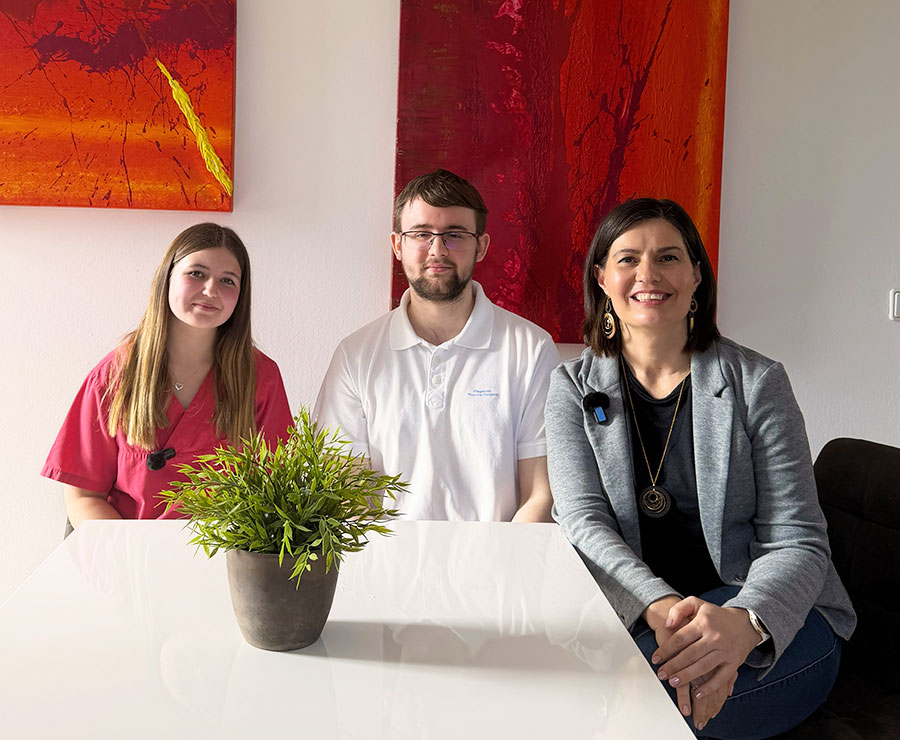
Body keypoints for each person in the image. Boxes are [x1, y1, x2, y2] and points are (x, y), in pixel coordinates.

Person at [544, 198, 855, 738]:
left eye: (667, 258)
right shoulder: (572, 388)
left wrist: (744, 623)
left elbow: (798, 539)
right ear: (601, 278)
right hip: (649, 614)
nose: (647, 274)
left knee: (648, 702)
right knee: (595, 690)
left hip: (775, 614)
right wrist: (660, 606)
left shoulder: (757, 382)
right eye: (627, 259)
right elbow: (582, 522)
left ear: (694, 277)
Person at [314, 169, 559, 521]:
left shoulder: (531, 350)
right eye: (421, 234)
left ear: (482, 245)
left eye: (454, 235)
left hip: (498, 569)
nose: (438, 249)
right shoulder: (356, 355)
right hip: (386, 571)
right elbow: (345, 491)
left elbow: (540, 493)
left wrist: (502, 571)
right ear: (397, 245)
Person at [42, 223, 293, 525]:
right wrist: (131, 558)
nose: (211, 290)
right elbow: (83, 497)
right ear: (167, 278)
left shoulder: (261, 377)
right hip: (129, 555)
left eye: (228, 280)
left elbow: (277, 490)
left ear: (241, 296)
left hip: (222, 558)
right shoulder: (115, 374)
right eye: (196, 273)